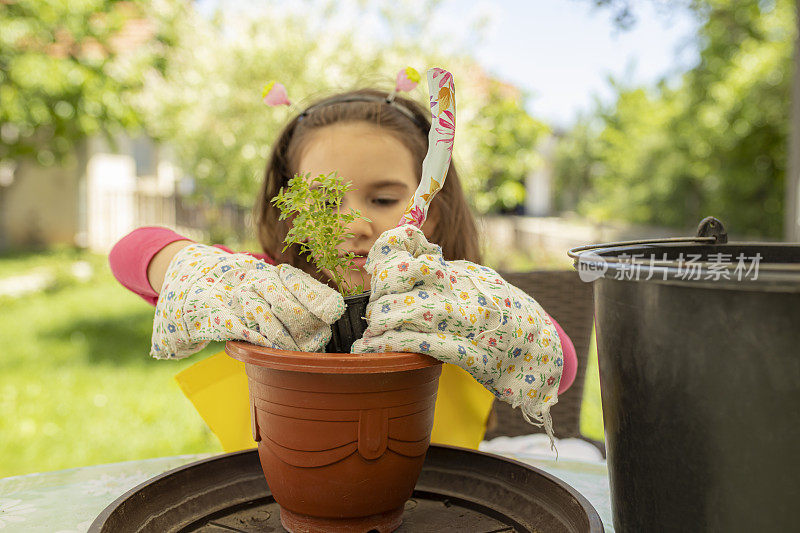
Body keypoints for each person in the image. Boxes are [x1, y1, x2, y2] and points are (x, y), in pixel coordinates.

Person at [109, 88, 577, 450]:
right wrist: (188, 268)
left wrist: (489, 315)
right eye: (326, 201)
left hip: (439, 500)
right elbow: (128, 252)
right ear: (291, 210)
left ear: (428, 209)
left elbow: (564, 364)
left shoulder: (450, 297)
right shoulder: (269, 291)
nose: (354, 223)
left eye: (384, 199)